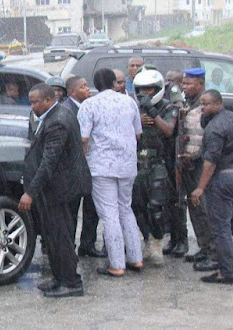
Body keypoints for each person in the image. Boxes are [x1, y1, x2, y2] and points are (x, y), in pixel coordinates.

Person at [19, 83, 91, 298]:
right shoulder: (53, 115)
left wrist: (30, 192)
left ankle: (71, 282)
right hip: (56, 188)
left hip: (62, 188)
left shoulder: (58, 120)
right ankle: (60, 277)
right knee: (52, 236)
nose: (31, 106)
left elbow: (49, 161)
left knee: (60, 236)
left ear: (48, 100)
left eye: (35, 102)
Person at [191, 89, 233, 284]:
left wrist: (200, 188)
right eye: (201, 104)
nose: (202, 108)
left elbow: (210, 161)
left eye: (206, 104)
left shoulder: (215, 128)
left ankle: (225, 272)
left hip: (222, 180)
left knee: (221, 228)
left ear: (218, 103)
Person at [78, 68, 143, 277]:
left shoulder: (90, 104)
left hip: (101, 167)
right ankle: (136, 258)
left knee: (109, 214)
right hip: (127, 165)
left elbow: (83, 139)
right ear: (115, 82)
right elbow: (138, 134)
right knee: (126, 209)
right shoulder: (129, 102)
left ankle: (117, 264)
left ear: (96, 84)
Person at [132, 69, 184, 266]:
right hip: (137, 162)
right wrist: (138, 121)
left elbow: (169, 130)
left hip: (159, 163)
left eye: (150, 90)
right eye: (142, 90)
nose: (146, 94)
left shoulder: (169, 108)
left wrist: (153, 114)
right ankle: (147, 240)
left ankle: (157, 241)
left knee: (156, 206)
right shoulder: (134, 108)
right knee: (137, 205)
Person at [166, 68, 216, 269]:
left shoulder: (206, 107)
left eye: (189, 84)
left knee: (203, 209)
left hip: (199, 164)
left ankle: (213, 254)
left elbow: (209, 141)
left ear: (201, 85)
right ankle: (204, 249)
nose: (184, 87)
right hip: (186, 164)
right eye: (184, 84)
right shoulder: (186, 104)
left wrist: (194, 156)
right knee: (194, 209)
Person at [62, 76, 107, 258]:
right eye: (83, 87)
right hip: (73, 169)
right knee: (71, 211)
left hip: (90, 167)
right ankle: (68, 248)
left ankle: (87, 245)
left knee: (91, 208)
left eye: (87, 86)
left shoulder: (89, 107)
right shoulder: (66, 110)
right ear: (72, 92)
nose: (88, 89)